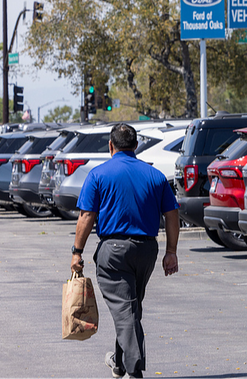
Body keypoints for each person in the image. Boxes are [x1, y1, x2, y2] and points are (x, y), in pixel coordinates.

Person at [70, 123, 180, 379]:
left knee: (125, 310)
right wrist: (171, 251)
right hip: (146, 250)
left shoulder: (98, 175)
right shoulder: (155, 176)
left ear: (111, 146)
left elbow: (87, 215)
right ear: (136, 146)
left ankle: (133, 368)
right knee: (130, 308)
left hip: (113, 252)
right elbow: (172, 215)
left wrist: (77, 252)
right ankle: (119, 363)